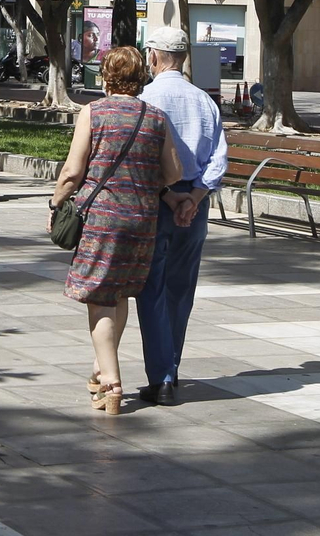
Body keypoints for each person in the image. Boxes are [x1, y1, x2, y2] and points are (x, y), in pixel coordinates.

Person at [49, 46, 182, 416]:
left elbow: (72, 172)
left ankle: (112, 381)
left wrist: (56, 203)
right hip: (142, 219)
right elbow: (174, 173)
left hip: (103, 221)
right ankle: (100, 366)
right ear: (142, 76)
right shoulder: (155, 117)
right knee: (120, 292)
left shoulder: (93, 112)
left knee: (99, 297)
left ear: (106, 76)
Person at [136, 27, 228, 406]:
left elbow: (143, 159)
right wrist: (193, 198)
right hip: (196, 201)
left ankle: (161, 376)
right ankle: (170, 370)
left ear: (153, 57)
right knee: (180, 290)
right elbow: (217, 158)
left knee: (151, 288)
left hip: (158, 202)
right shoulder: (204, 101)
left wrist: (170, 197)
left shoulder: (146, 99)